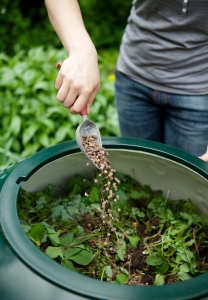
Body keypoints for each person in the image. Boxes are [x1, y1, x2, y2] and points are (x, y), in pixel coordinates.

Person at [45, 0, 208, 161]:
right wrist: (81, 50)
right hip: (133, 81)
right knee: (138, 170)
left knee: (187, 182)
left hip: (200, 92)